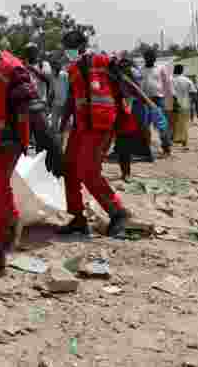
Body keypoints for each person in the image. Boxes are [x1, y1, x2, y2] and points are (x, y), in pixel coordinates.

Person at [0, 20, 62, 274]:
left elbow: (33, 106)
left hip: (5, 143)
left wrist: (51, 144)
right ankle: (9, 227)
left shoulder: (12, 69)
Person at [58, 29, 129, 239]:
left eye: (71, 48)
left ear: (82, 46)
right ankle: (77, 217)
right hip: (81, 125)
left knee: (88, 172)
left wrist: (123, 66)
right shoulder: (72, 69)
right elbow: (72, 98)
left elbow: (123, 74)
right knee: (69, 168)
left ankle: (118, 213)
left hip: (100, 125)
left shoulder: (102, 61)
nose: (68, 52)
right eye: (66, 48)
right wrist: (63, 123)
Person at [141, 48, 174, 156]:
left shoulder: (160, 69)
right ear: (144, 58)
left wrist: (171, 98)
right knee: (145, 126)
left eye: (151, 57)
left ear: (155, 59)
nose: (149, 59)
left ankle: (166, 148)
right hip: (144, 99)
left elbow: (167, 84)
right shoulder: (140, 70)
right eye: (147, 57)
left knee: (161, 125)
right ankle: (146, 148)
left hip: (158, 99)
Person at [170, 64, 196, 148]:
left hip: (172, 105)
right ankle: (184, 142)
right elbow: (193, 92)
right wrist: (191, 102)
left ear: (174, 70)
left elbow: (170, 93)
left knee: (173, 123)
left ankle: (173, 141)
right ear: (182, 71)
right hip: (185, 104)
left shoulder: (171, 80)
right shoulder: (187, 80)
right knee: (184, 123)